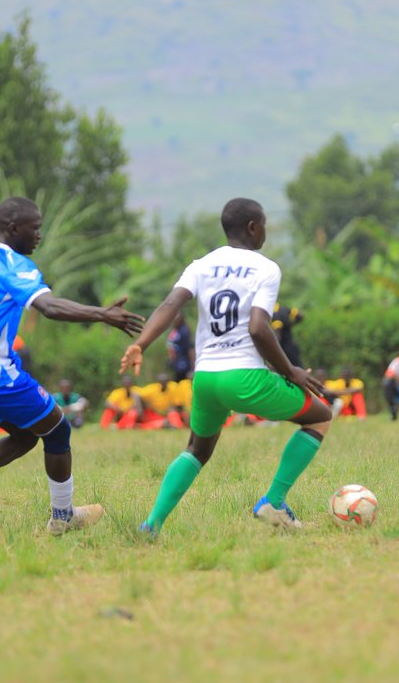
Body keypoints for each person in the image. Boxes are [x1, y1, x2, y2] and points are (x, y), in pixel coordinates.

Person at [0, 196, 144, 536]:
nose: (39, 236)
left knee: (28, 434)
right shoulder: (16, 267)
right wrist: (103, 313)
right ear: (14, 229)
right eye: (35, 228)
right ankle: (62, 517)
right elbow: (49, 307)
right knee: (58, 430)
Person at [121, 198, 333, 536]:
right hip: (244, 376)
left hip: (204, 378)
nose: (265, 231)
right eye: (264, 224)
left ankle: (151, 525)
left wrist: (140, 343)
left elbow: (170, 304)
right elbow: (259, 328)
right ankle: (274, 502)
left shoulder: (201, 265)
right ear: (253, 227)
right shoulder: (265, 268)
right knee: (320, 415)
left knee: (197, 449)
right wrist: (290, 371)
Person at [271, 302, 304, 368]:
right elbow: (300, 315)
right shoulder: (284, 309)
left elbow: (278, 337)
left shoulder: (274, 314)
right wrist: (290, 324)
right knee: (299, 367)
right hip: (292, 346)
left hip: (284, 350)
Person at [165, 312, 195, 382]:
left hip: (183, 363)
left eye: (177, 318)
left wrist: (192, 368)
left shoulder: (184, 331)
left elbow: (190, 348)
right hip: (176, 362)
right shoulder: (174, 331)